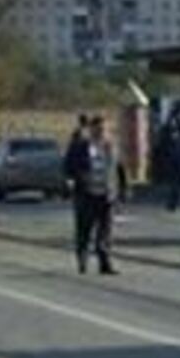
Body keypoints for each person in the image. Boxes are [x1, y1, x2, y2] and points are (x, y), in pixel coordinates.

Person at [64, 115, 124, 275]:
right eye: (97, 129)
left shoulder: (110, 147)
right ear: (91, 130)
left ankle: (105, 263)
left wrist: (122, 191)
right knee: (84, 229)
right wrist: (72, 181)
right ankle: (82, 260)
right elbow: (68, 166)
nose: (101, 132)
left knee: (105, 231)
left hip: (106, 194)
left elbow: (118, 169)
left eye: (103, 129)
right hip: (86, 194)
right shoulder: (80, 147)